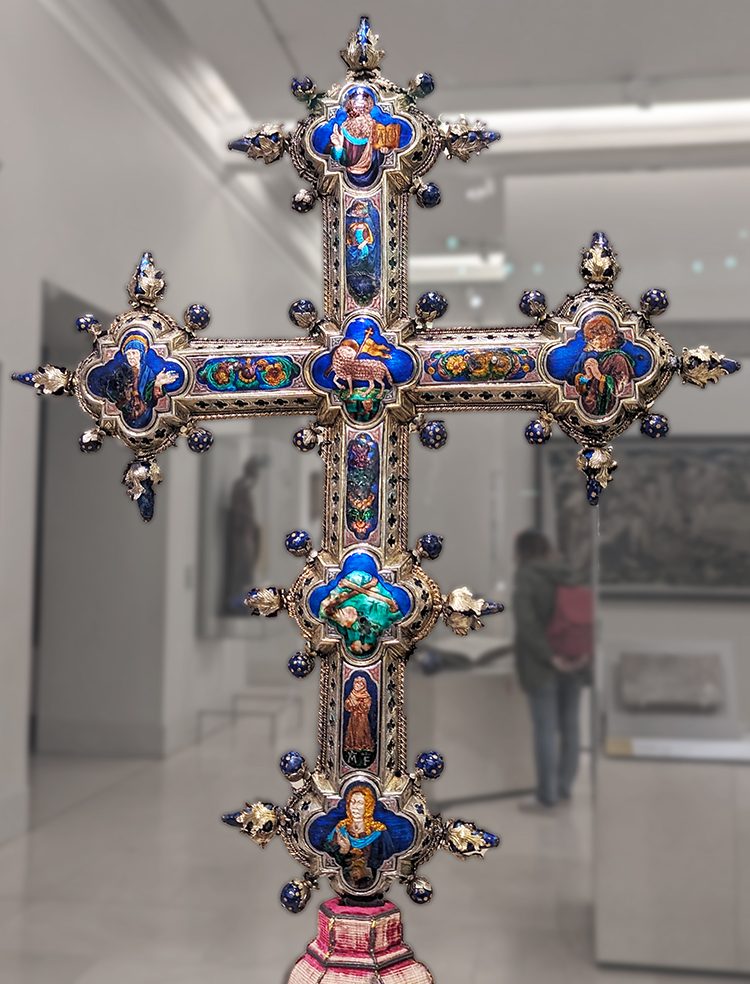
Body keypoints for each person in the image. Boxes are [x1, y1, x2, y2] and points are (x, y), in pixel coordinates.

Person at [513, 530, 590, 811]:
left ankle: (547, 797)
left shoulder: (527, 576)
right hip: (575, 660)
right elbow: (586, 618)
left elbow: (527, 623)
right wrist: (582, 654)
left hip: (542, 665)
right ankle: (564, 788)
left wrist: (550, 656)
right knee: (570, 726)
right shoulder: (570, 573)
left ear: (521, 552)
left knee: (545, 729)